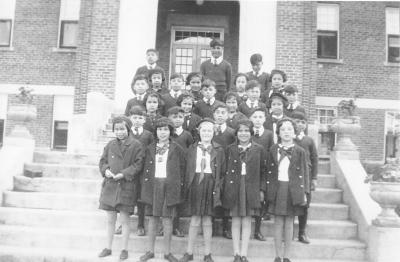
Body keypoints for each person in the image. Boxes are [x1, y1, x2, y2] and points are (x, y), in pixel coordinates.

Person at [139, 117, 186, 262]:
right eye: (160, 129)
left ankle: (167, 252)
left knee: (167, 220)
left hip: (169, 186)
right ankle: (150, 251)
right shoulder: (149, 148)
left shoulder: (177, 148)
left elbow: (182, 169)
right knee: (153, 219)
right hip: (153, 185)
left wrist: (178, 186)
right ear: (156, 131)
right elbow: (144, 169)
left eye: (166, 129)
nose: (163, 132)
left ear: (170, 131)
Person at [98, 116, 145, 260]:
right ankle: (108, 247)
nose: (119, 132)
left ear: (128, 129)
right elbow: (103, 161)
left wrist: (123, 174)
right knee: (110, 219)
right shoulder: (110, 144)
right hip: (110, 186)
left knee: (124, 220)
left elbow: (138, 165)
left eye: (122, 129)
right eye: (117, 129)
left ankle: (124, 249)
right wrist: (105, 170)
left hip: (126, 186)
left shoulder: (136, 145)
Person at [179, 118, 226, 262]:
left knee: (207, 219)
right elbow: (187, 169)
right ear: (199, 132)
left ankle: (207, 253)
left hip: (211, 184)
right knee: (195, 218)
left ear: (214, 132)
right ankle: (189, 252)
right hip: (196, 184)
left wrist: (218, 187)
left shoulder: (219, 149)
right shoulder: (192, 149)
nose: (206, 133)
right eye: (203, 130)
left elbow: (222, 172)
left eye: (209, 130)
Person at [223, 119, 266, 262]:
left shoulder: (258, 149)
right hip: (234, 186)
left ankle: (244, 253)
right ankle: (236, 253)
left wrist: (261, 189)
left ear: (251, 132)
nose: (243, 133)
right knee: (235, 220)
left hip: (251, 187)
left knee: (247, 220)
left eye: (246, 131)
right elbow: (225, 170)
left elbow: (263, 171)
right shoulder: (230, 149)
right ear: (236, 133)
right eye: (240, 131)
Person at [266, 118, 309, 262]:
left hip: (293, 189)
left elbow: (305, 172)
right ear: (278, 132)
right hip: (277, 187)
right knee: (278, 221)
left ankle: (287, 256)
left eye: (290, 129)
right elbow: (268, 171)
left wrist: (305, 192)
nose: (286, 132)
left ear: (295, 132)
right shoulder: (273, 149)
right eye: (283, 129)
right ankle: (277, 255)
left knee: (289, 222)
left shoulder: (300, 151)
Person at [292, 111, 318, 244]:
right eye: (297, 121)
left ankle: (302, 232)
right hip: (291, 176)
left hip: (305, 176)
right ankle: (289, 232)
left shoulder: (309, 140)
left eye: (303, 122)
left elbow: (314, 159)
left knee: (304, 205)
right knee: (290, 203)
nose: (300, 124)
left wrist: (314, 178)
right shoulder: (288, 138)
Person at [249, 108, 275, 239]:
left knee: (260, 200)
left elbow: (271, 151)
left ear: (264, 119)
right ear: (251, 119)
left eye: (260, 117)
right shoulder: (247, 133)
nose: (258, 120)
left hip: (262, 170)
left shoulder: (269, 134)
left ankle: (257, 230)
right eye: (255, 117)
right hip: (248, 170)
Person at [212, 103, 235, 239]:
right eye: (217, 113)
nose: (220, 115)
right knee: (213, 194)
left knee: (225, 195)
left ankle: (226, 226)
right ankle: (212, 223)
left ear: (227, 115)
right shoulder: (209, 130)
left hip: (227, 167)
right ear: (213, 115)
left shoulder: (232, 132)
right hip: (213, 167)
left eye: (223, 113)